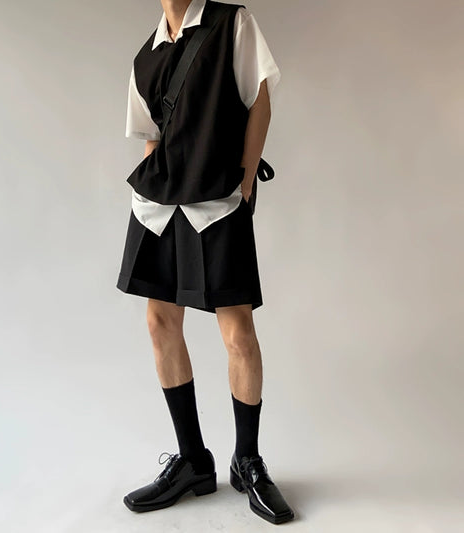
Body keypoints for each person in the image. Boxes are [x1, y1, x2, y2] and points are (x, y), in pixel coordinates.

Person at [116, 0, 294, 525]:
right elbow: (152, 136)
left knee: (237, 331)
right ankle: (193, 460)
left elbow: (260, 101)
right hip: (159, 204)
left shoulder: (231, 23)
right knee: (159, 323)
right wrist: (149, 193)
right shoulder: (146, 56)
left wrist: (245, 183)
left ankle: (248, 461)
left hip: (218, 199)